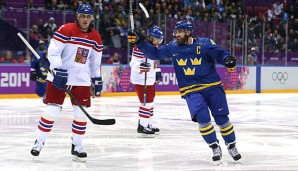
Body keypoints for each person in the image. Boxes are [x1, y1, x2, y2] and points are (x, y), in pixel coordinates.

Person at [128, 20, 241, 163]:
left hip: (212, 86)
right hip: (191, 90)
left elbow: (220, 54)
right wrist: (139, 41)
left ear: (188, 32)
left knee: (222, 119)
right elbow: (154, 53)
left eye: (180, 32)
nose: (177, 35)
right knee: (203, 118)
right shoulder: (173, 47)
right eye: (176, 32)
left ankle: (231, 145)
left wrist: (227, 59)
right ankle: (214, 146)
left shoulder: (205, 43)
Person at [30, 4, 103, 163]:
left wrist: (97, 78)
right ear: (77, 16)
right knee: (52, 111)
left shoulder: (96, 37)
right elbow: (53, 51)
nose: (85, 20)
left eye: (88, 17)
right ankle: (39, 141)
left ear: (92, 19)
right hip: (59, 77)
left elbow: (94, 61)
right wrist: (58, 69)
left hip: (81, 79)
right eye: (82, 16)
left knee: (80, 114)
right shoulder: (65, 30)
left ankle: (77, 146)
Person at [129, 26, 163, 137]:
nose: (158, 42)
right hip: (140, 79)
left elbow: (155, 61)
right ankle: (142, 126)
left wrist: (157, 70)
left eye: (159, 40)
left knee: (151, 102)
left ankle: (148, 124)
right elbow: (133, 62)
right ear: (149, 37)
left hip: (150, 79)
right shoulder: (140, 47)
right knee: (146, 103)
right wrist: (140, 66)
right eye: (156, 39)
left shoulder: (155, 47)